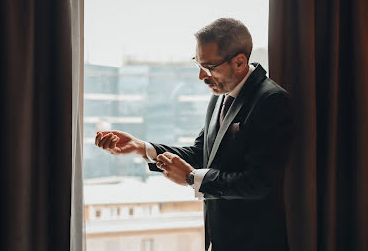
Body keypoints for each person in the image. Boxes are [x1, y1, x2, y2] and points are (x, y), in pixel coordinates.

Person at [95, 18, 294, 251]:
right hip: (220, 241)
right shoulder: (220, 95)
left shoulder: (272, 101)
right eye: (198, 65)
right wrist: (143, 148)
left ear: (240, 62)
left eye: (209, 67)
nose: (201, 77)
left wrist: (192, 178)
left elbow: (259, 182)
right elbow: (201, 153)